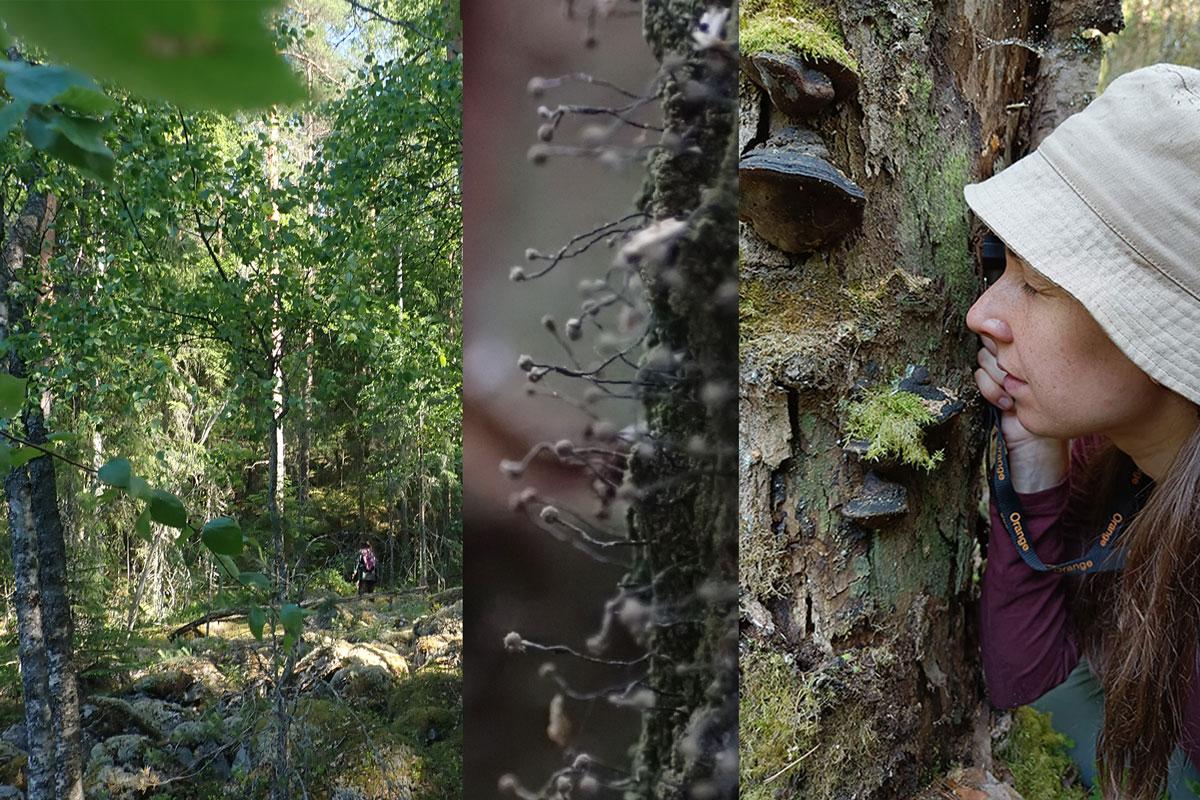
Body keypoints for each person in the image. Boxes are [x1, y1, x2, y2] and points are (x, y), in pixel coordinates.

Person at [964, 63, 1200, 800]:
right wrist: (1035, 468)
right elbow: (1023, 683)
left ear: (1159, 336)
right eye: (1005, 268)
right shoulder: (1112, 450)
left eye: (1039, 287)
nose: (982, 315)